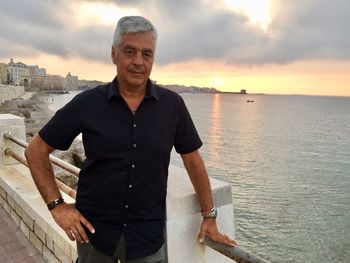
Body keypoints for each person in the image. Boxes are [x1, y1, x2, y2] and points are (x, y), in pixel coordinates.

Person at [25, 16, 237, 263]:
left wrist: (209, 216)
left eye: (147, 54)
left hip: (147, 238)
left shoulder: (172, 106)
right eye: (130, 51)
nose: (139, 61)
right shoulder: (88, 103)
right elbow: (36, 150)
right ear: (114, 55)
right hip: (93, 235)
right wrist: (57, 206)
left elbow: (192, 161)